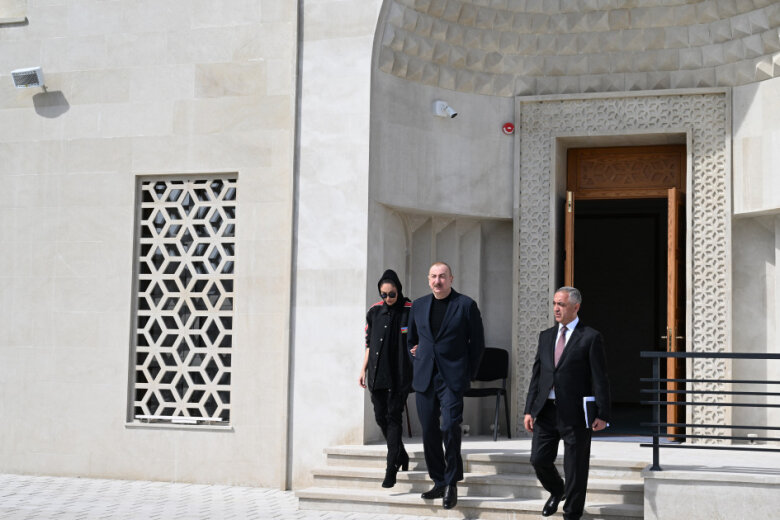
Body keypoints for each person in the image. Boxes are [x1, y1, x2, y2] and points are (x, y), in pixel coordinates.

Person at [523, 286, 611, 520]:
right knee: (538, 459)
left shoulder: (590, 337)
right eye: (554, 303)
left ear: (576, 307)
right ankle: (557, 490)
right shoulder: (546, 336)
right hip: (546, 411)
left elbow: (600, 378)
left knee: (576, 467)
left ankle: (572, 514)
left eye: (561, 304)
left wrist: (603, 413)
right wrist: (529, 410)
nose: (556, 308)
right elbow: (537, 376)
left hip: (576, 413)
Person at [407, 261, 484, 510]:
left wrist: (467, 374)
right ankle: (439, 481)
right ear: (428, 279)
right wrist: (417, 358)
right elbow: (411, 341)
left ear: (451, 279)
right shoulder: (418, 305)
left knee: (450, 426)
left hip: (452, 378)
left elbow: (477, 344)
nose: (437, 281)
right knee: (429, 430)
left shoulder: (465, 305)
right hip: (425, 377)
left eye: (442, 276)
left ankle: (452, 482)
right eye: (433, 276)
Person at [359, 269, 413, 488]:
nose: (388, 298)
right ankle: (401, 454)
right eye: (384, 294)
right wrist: (363, 370)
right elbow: (368, 344)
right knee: (380, 417)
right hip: (376, 375)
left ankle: (391, 468)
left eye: (392, 294)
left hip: (399, 376)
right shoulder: (374, 312)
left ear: (399, 290)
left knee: (393, 418)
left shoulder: (410, 310)